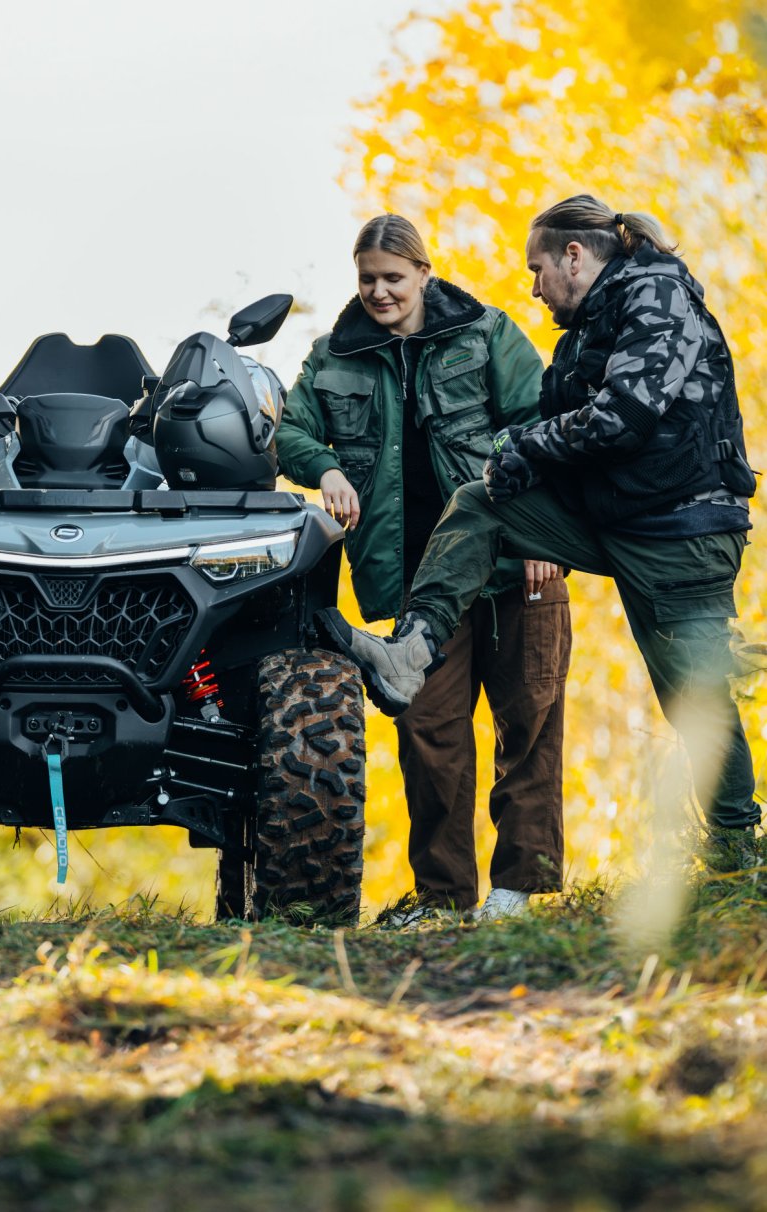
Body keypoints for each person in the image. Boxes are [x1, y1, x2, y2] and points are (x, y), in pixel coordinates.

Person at [317, 196, 761, 871]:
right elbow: (550, 415)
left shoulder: (659, 297)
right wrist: (515, 449)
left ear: (574, 257)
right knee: (481, 502)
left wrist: (527, 445)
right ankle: (412, 652)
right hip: (615, 518)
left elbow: (624, 416)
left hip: (683, 530)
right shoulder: (586, 327)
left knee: (691, 697)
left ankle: (737, 854)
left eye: (537, 269)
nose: (532, 285)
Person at [278, 215, 572, 924]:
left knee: (528, 725)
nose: (380, 292)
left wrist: (544, 537)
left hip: (513, 569)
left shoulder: (488, 333)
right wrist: (325, 468)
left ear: (424, 275)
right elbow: (288, 430)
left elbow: (544, 425)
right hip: (416, 591)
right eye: (368, 279)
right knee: (429, 738)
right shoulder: (333, 357)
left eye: (393, 278)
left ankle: (521, 892)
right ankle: (444, 900)